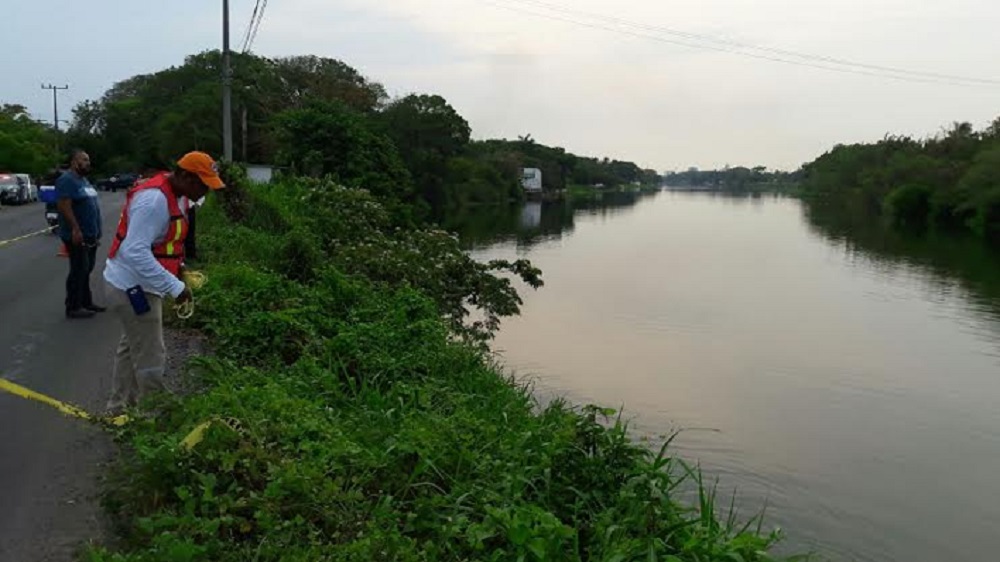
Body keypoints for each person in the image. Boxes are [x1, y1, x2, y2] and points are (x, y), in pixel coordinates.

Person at [102, 151, 225, 413]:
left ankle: (119, 406)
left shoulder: (178, 197)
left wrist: (178, 268)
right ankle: (155, 412)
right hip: (132, 288)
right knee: (151, 354)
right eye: (201, 184)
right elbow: (135, 251)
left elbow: (165, 242)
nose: (205, 191)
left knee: (132, 346)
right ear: (182, 175)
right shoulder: (154, 200)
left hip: (139, 284)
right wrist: (175, 287)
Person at [56, 150, 104, 319]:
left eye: (88, 159)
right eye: (84, 160)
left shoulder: (84, 180)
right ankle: (73, 306)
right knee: (78, 269)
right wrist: (75, 229)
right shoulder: (67, 180)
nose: (88, 163)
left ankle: (86, 302)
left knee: (87, 269)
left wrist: (96, 233)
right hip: (77, 235)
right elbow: (64, 206)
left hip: (90, 235)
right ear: (75, 162)